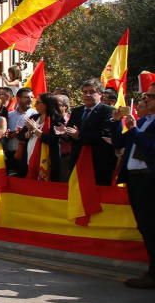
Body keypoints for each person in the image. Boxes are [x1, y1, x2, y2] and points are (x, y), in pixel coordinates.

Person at [113, 86, 155, 289]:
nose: (146, 99)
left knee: (150, 226)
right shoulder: (143, 121)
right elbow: (119, 141)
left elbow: (150, 149)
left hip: (149, 180)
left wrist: (135, 131)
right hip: (135, 179)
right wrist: (116, 122)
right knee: (144, 226)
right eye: (146, 95)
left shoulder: (145, 126)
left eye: (151, 96)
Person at [63, 78, 116, 186]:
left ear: (100, 94)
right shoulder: (77, 111)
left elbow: (104, 134)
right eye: (85, 92)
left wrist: (79, 135)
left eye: (92, 92)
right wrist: (64, 133)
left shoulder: (108, 111)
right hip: (77, 160)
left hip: (98, 162)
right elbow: (70, 130)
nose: (87, 95)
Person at [23, 93, 65, 182]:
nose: (35, 105)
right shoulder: (34, 117)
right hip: (30, 157)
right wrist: (29, 132)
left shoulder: (57, 119)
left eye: (38, 102)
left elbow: (52, 140)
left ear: (47, 104)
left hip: (48, 160)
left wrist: (35, 129)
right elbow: (22, 136)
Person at [4, 87, 34, 176]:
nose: (30, 100)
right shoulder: (9, 115)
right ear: (18, 98)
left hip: (26, 154)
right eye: (27, 97)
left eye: (31, 97)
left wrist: (22, 134)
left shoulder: (35, 115)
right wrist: (7, 134)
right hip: (9, 153)